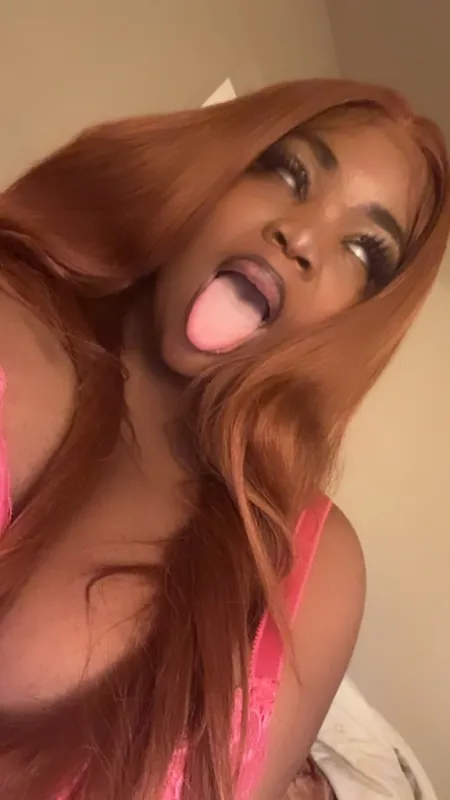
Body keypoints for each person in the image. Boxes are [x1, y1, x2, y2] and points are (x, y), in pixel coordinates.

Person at [0, 78, 447, 800]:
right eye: (289, 174)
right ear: (211, 173)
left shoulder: (311, 566)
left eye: (364, 252)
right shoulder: (15, 317)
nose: (302, 238)